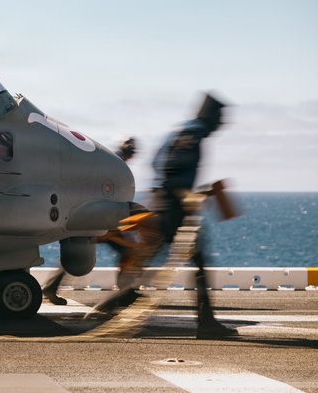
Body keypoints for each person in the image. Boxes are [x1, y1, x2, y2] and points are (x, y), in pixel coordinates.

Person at [86, 92, 236, 339]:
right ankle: (207, 323)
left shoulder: (177, 131)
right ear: (211, 116)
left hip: (163, 203)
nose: (222, 122)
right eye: (220, 117)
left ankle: (106, 306)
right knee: (198, 263)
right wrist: (182, 193)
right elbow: (171, 165)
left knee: (148, 260)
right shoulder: (194, 133)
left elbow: (157, 163)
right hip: (173, 209)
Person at [41, 136, 139, 306]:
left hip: (97, 217)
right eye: (131, 151)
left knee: (77, 252)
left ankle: (51, 287)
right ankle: (125, 292)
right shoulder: (115, 164)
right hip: (99, 219)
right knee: (122, 249)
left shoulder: (110, 161)